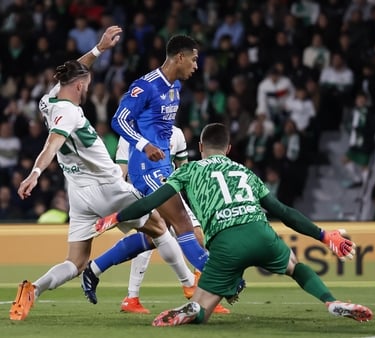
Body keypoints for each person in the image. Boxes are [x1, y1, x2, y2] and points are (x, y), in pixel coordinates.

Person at [95, 123, 373, 326]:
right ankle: (330, 300)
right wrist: (324, 236)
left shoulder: (189, 170)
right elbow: (283, 211)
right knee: (294, 265)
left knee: (203, 305)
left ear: (200, 148)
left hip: (225, 244)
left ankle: (192, 310)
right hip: (260, 232)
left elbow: (150, 203)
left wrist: (116, 217)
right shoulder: (244, 171)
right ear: (229, 149)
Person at [9, 26, 195, 321]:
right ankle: (191, 287)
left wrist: (99, 49)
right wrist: (34, 173)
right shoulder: (70, 113)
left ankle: (33, 290)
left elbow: (74, 71)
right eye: (87, 83)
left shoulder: (49, 100)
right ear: (80, 86)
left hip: (79, 195)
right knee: (160, 227)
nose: (88, 87)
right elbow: (51, 143)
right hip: (107, 187)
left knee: (76, 262)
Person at [81, 35, 229, 306]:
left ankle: (93, 269)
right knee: (183, 223)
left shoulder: (175, 88)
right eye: (194, 59)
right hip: (146, 166)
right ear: (180, 57)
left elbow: (163, 131)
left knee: (157, 233)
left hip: (162, 166)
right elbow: (119, 119)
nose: (197, 66)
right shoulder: (146, 86)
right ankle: (217, 277)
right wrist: (144, 144)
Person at [115, 125, 229, 314]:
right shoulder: (130, 135)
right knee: (154, 237)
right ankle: (133, 297)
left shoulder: (176, 133)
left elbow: (184, 169)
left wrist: (195, 201)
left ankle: (200, 290)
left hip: (169, 193)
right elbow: (121, 173)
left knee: (197, 234)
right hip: (141, 193)